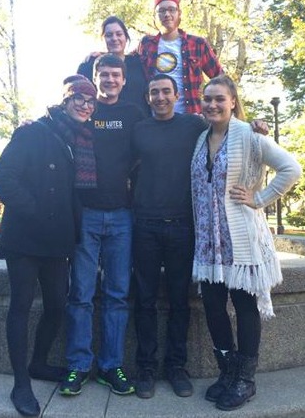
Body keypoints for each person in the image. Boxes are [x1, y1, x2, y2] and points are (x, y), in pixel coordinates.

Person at [191, 75, 302, 411]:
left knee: (243, 305)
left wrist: (261, 198)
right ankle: (227, 372)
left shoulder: (249, 135)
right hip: (210, 244)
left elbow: (291, 167)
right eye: (207, 98)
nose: (212, 104)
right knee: (212, 306)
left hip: (239, 241)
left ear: (233, 101)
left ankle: (245, 379)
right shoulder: (201, 138)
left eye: (219, 99)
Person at [0, 75, 97, 417]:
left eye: (90, 101)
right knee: (20, 306)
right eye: (78, 98)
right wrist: (33, 209)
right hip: (25, 236)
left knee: (56, 306)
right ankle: (22, 382)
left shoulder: (79, 140)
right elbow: (2, 176)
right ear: (65, 101)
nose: (84, 104)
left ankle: (38, 363)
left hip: (57, 239)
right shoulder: (34, 131)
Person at [59, 54, 145, 397]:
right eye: (103, 75)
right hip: (86, 214)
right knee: (80, 293)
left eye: (114, 75)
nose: (109, 79)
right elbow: (54, 119)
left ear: (124, 80)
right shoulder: (84, 111)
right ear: (94, 79)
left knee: (117, 294)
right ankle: (78, 365)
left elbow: (155, 142)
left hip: (123, 216)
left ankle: (111, 366)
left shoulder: (133, 114)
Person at [132, 73, 208, 399]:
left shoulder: (193, 125)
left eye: (166, 91)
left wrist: (256, 124)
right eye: (154, 92)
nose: (160, 97)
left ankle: (177, 367)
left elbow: (228, 126)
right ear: (148, 97)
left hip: (181, 226)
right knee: (145, 299)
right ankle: (146, 368)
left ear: (176, 95)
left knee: (180, 300)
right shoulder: (138, 130)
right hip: (144, 225)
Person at [138, 0, 223, 114]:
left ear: (179, 13)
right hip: (155, 119)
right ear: (155, 16)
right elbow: (125, 60)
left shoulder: (198, 43)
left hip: (191, 118)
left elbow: (220, 78)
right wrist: (101, 56)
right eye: (161, 11)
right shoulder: (146, 44)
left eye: (171, 9)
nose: (167, 14)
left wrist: (213, 106)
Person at [78, 15, 150, 116]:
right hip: (100, 123)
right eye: (109, 35)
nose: (114, 38)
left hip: (137, 123)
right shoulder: (89, 65)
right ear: (103, 39)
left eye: (119, 34)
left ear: (126, 37)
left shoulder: (139, 63)